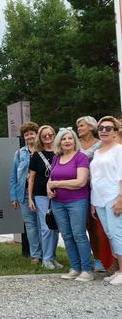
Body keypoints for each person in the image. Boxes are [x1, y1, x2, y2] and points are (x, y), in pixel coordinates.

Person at [47, 128, 92, 281]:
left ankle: (86, 270)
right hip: (57, 203)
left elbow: (81, 182)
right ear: (59, 142)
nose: (67, 141)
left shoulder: (81, 157)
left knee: (79, 235)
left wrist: (57, 184)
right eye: (64, 139)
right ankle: (75, 268)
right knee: (66, 235)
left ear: (75, 141)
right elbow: (50, 179)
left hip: (77, 202)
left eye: (70, 138)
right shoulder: (56, 158)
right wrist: (48, 189)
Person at [76, 116, 113, 272]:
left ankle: (103, 260)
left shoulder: (100, 144)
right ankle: (90, 258)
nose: (78, 128)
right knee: (84, 225)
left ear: (91, 127)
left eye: (81, 125)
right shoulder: (75, 144)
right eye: (78, 126)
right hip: (78, 188)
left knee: (99, 227)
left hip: (96, 189)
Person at [90, 116, 122, 285]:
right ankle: (118, 270)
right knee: (110, 233)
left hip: (113, 197)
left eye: (108, 128)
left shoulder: (119, 150)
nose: (103, 130)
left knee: (117, 233)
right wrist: (92, 202)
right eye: (101, 127)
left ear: (115, 132)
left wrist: (120, 198)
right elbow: (95, 177)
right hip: (98, 199)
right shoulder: (97, 152)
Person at [28, 125, 63, 270]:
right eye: (44, 136)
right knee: (46, 227)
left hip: (59, 194)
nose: (48, 137)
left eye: (50, 134)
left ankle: (52, 257)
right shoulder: (37, 155)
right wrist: (30, 198)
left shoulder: (60, 153)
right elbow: (31, 178)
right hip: (41, 195)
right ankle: (46, 259)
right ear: (40, 139)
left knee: (55, 227)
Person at [9, 122, 42, 264]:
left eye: (32, 133)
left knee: (44, 225)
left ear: (37, 134)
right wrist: (14, 196)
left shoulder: (44, 150)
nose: (29, 136)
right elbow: (13, 177)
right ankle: (36, 255)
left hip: (41, 193)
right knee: (31, 226)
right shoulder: (19, 153)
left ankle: (47, 254)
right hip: (23, 194)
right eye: (26, 134)